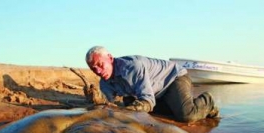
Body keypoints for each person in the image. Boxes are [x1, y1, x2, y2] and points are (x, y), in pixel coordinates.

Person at [85, 46, 219, 123]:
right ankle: (179, 102)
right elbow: (109, 105)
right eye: (93, 68)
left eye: (100, 65)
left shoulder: (132, 67)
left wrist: (126, 111)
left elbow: (148, 102)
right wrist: (97, 102)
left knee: (186, 116)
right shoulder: (104, 82)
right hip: (154, 90)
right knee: (131, 105)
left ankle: (208, 101)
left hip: (173, 78)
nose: (97, 71)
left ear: (110, 58)